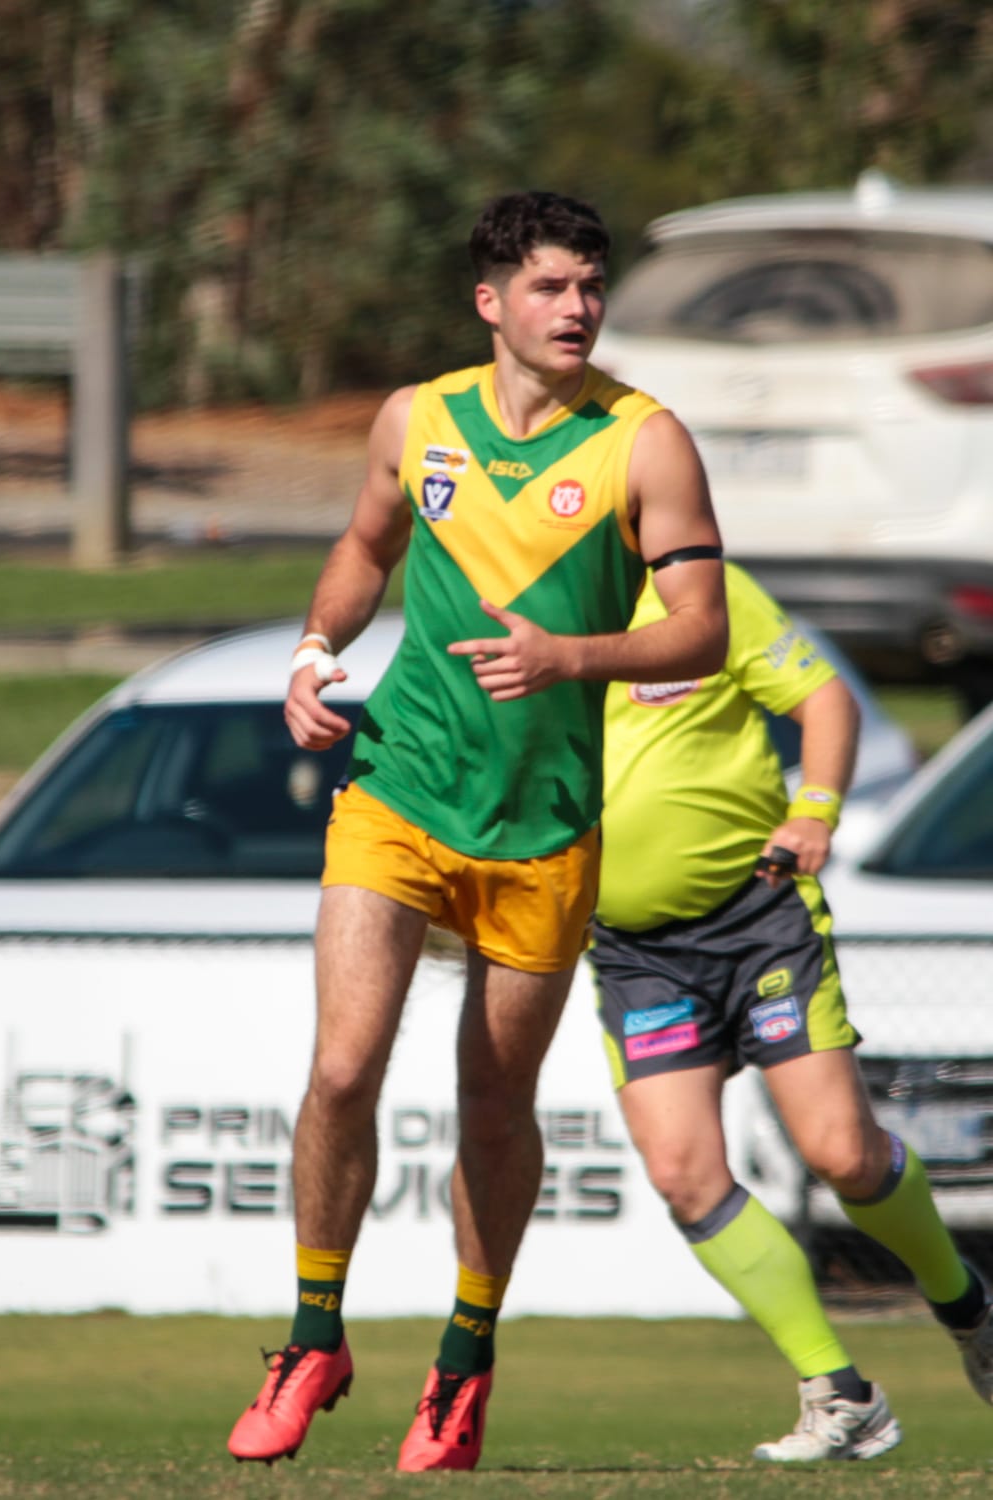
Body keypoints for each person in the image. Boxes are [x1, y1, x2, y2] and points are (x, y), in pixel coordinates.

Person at [226, 189, 728, 1472]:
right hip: (397, 786)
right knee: (343, 1070)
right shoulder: (419, 417)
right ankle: (311, 1336)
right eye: (553, 287)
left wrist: (575, 653)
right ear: (490, 302)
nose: (579, 308)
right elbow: (363, 543)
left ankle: (461, 1362)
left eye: (591, 285)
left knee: (492, 1107)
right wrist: (313, 647)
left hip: (542, 826)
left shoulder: (646, 441)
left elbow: (702, 629)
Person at [589, 560, 993, 1463]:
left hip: (759, 917)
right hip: (634, 950)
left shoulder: (703, 594)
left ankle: (966, 1306)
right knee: (684, 1174)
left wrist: (815, 812)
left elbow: (827, 703)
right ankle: (840, 1395)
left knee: (843, 1154)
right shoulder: (527, 618)